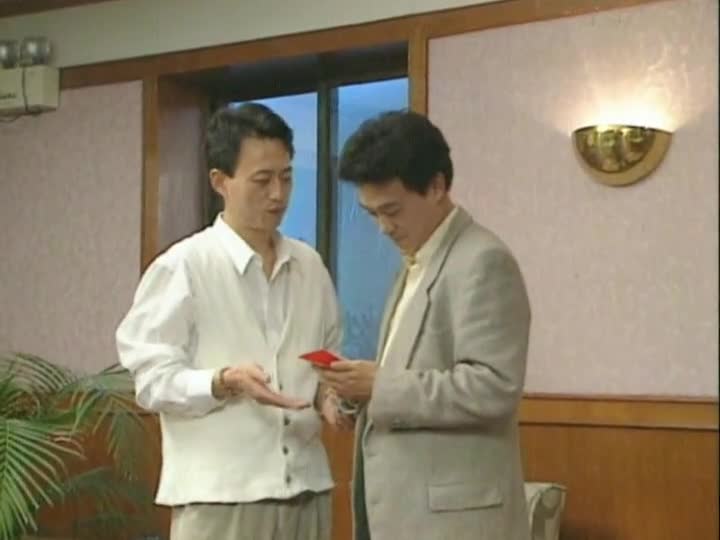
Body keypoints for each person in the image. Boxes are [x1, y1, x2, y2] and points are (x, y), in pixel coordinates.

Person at [116, 103, 347, 540]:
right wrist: (222, 381)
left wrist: (331, 397)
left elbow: (324, 362)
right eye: (262, 180)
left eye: (287, 177)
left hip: (308, 490)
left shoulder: (310, 266)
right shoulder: (184, 266)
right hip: (221, 500)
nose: (278, 194)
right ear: (220, 181)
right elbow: (150, 381)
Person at [317, 111, 532, 540]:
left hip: (455, 522)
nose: (383, 227)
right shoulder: (414, 263)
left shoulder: (482, 260)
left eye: (392, 210)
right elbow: (409, 375)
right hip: (405, 513)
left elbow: (494, 388)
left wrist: (379, 386)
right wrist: (356, 391)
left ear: (436, 186)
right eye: (372, 214)